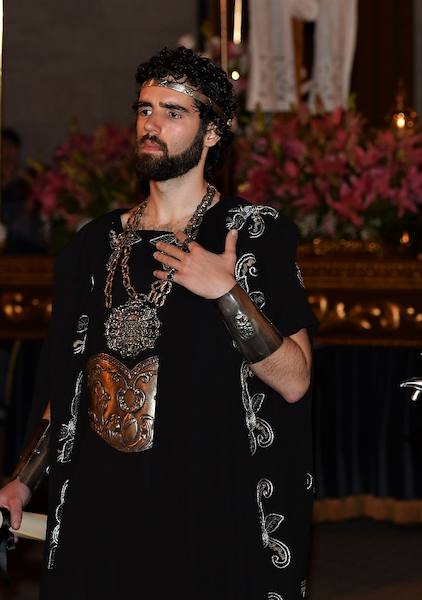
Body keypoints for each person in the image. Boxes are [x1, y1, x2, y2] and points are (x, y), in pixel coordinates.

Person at [0, 47, 317, 599]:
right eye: (145, 109)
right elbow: (66, 388)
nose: (152, 124)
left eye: (174, 112)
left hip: (207, 509)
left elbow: (295, 379)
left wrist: (226, 289)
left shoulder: (252, 235)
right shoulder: (91, 245)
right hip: (103, 506)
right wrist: (23, 485)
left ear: (213, 133)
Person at [1, 128, 46, 253]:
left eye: (9, 147)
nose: (5, 152)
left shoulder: (29, 177)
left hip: (25, 242)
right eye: (2, 147)